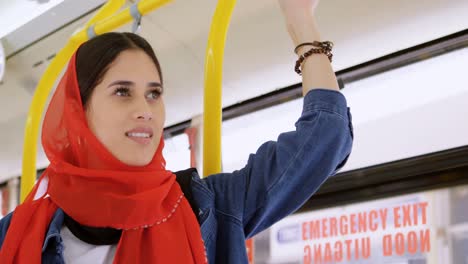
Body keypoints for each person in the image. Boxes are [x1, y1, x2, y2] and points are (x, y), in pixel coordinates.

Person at [0, 0, 353, 263]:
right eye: (123, 92)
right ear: (80, 111)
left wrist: (301, 22)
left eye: (154, 93)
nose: (145, 110)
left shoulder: (209, 208)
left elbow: (325, 135)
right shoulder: (15, 234)